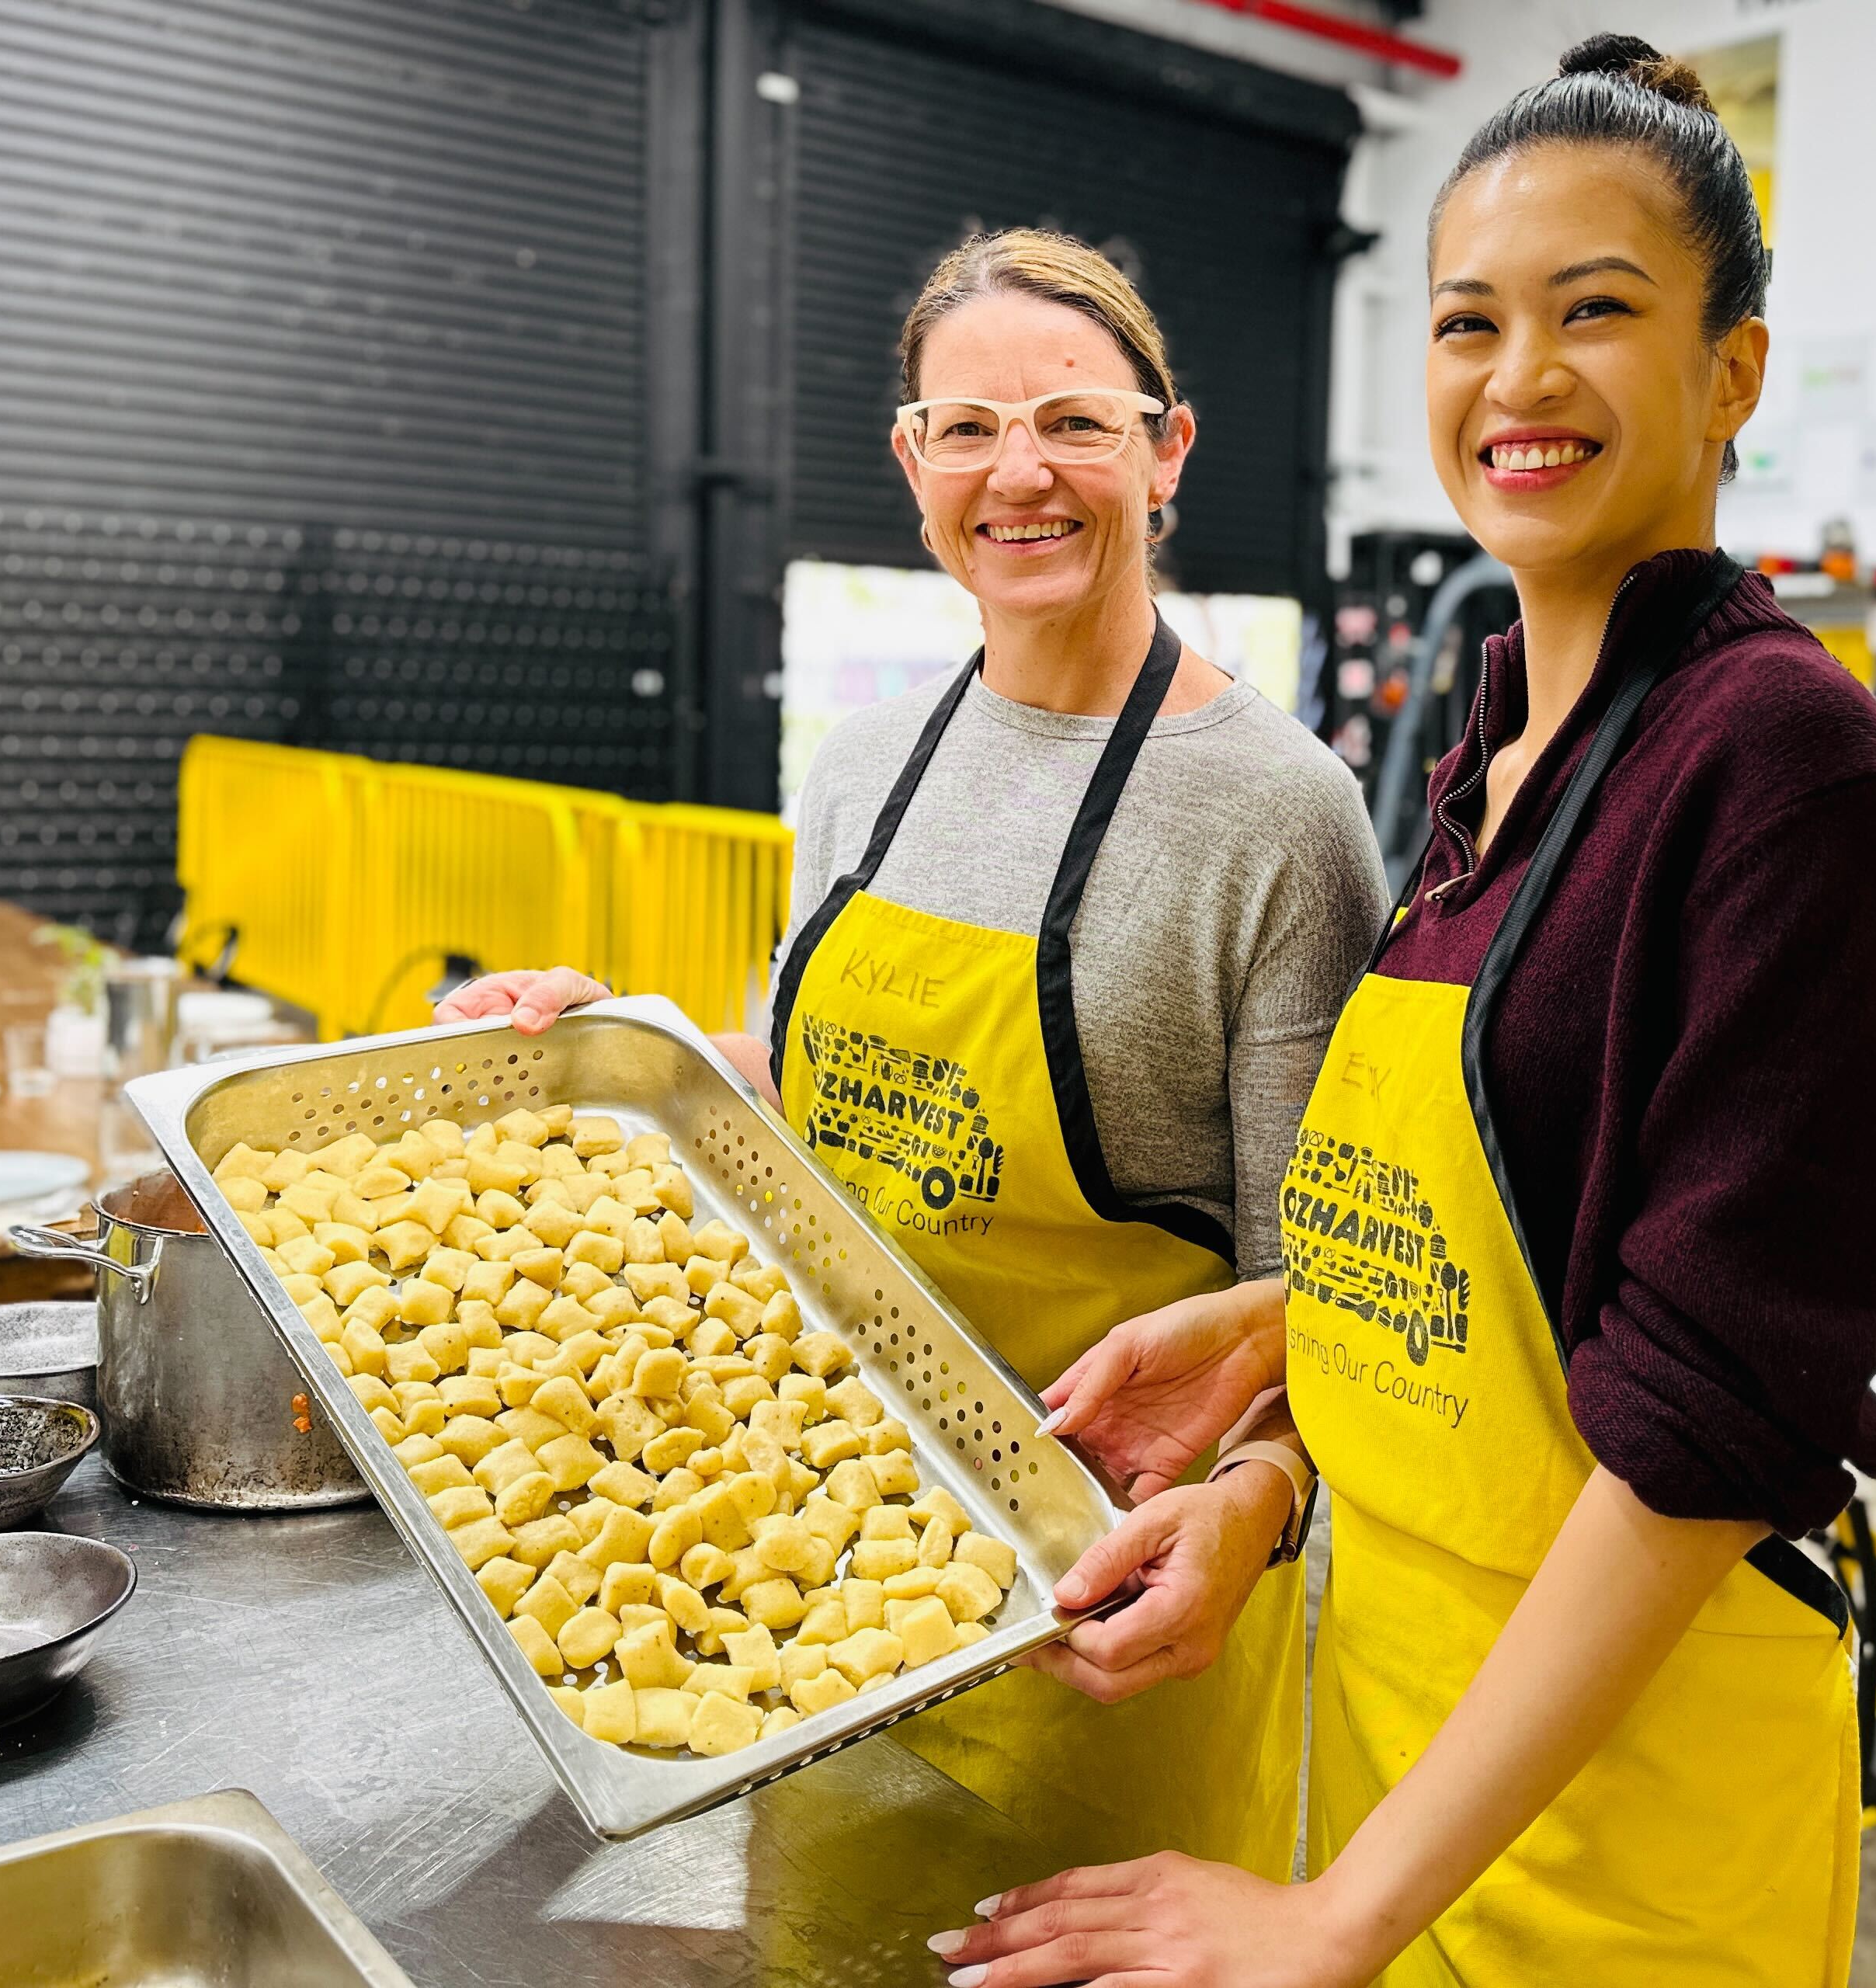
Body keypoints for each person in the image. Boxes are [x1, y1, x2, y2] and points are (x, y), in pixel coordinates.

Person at [928, 37, 1876, 1988]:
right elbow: (1518, 1261)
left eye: (1599, 313)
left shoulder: (1778, 764)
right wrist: (1278, 1372)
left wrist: (1337, 1909)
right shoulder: (1497, 744)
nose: (1520, 380)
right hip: (1407, 1736)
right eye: (1469, 322)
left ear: (1732, 369)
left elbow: (1707, 1421)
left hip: (1626, 1817)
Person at [437, 228, 1388, 1882]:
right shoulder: (867, 762)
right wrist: (639, 1045)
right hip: (821, 1572)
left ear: (1166, 450)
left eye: (1075, 422)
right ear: (913, 460)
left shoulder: (1281, 815)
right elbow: (836, 1100)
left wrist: (1257, 1507)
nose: (1019, 473)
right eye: (968, 428)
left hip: (1108, 1622)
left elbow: (1324, 1289)